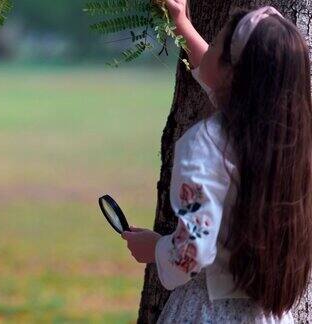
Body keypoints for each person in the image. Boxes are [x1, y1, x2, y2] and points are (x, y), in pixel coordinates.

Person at [122, 3, 312, 323]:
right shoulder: (290, 141)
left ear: (232, 73)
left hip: (206, 312)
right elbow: (223, 85)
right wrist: (181, 23)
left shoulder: (206, 143)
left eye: (217, 45)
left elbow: (192, 252)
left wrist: (155, 249)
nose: (209, 49)